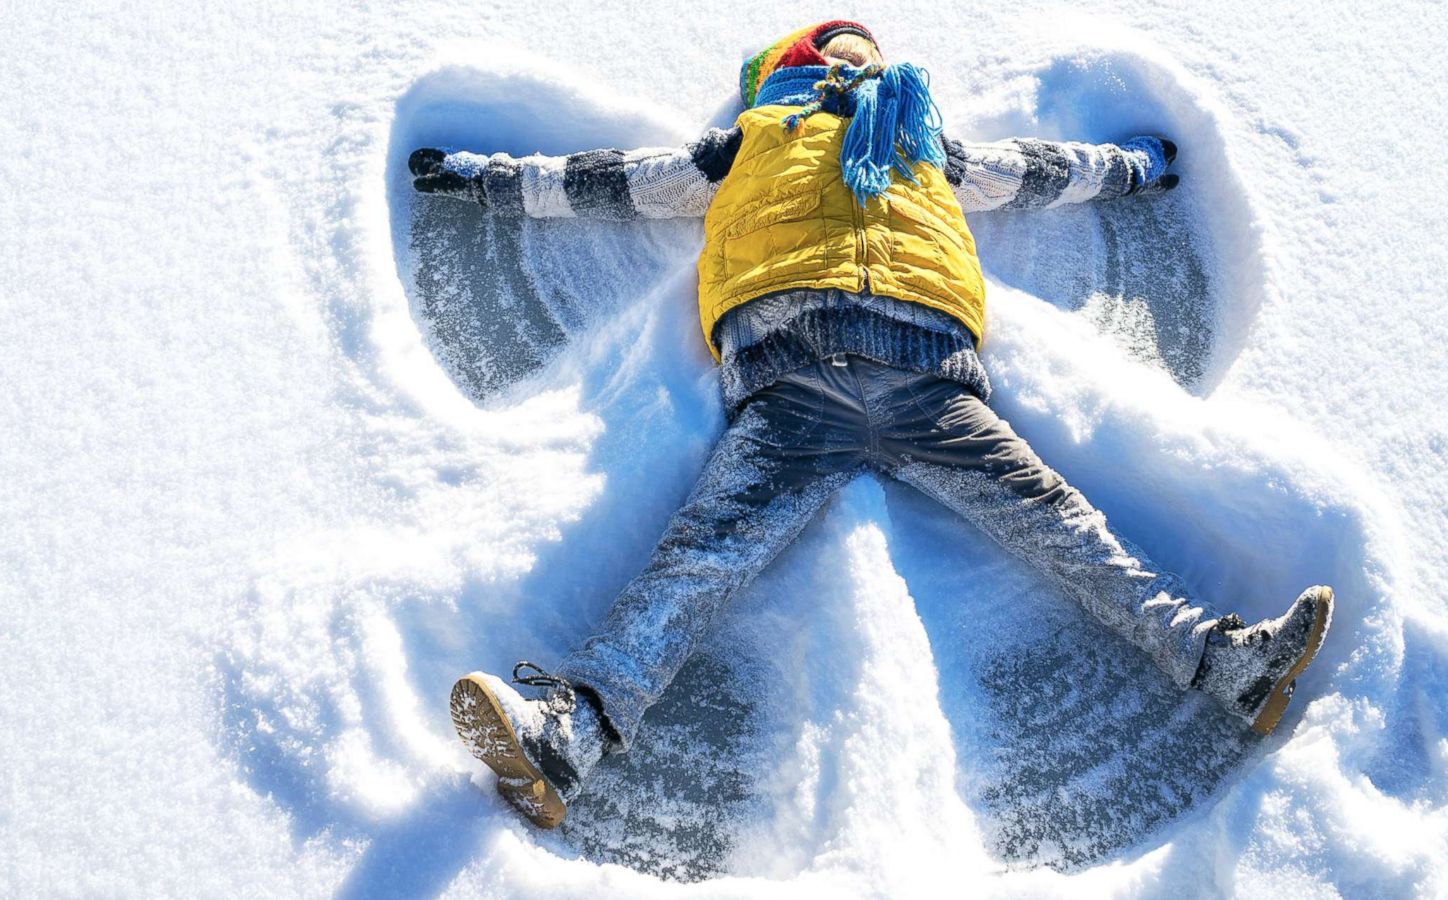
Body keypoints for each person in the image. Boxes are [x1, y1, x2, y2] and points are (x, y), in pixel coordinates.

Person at [412, 20, 1334, 829]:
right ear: (788, 68)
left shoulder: (920, 135)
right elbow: (609, 179)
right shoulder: (749, 139)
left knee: (1062, 525)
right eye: (827, 43)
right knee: (702, 557)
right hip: (791, 378)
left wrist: (1129, 169)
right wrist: (490, 180)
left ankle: (1225, 666)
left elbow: (1033, 171)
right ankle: (564, 737)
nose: (851, 48)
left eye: (860, 42)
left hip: (928, 372)